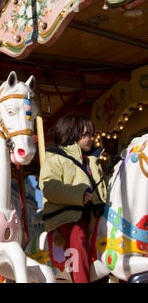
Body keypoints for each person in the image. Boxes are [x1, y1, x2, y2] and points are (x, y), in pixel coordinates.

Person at [39, 114, 107, 283]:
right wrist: (79, 195)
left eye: (92, 134)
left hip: (94, 211)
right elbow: (49, 187)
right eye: (87, 134)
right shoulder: (55, 159)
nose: (92, 138)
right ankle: (80, 279)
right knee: (78, 236)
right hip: (68, 213)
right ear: (71, 134)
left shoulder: (92, 160)